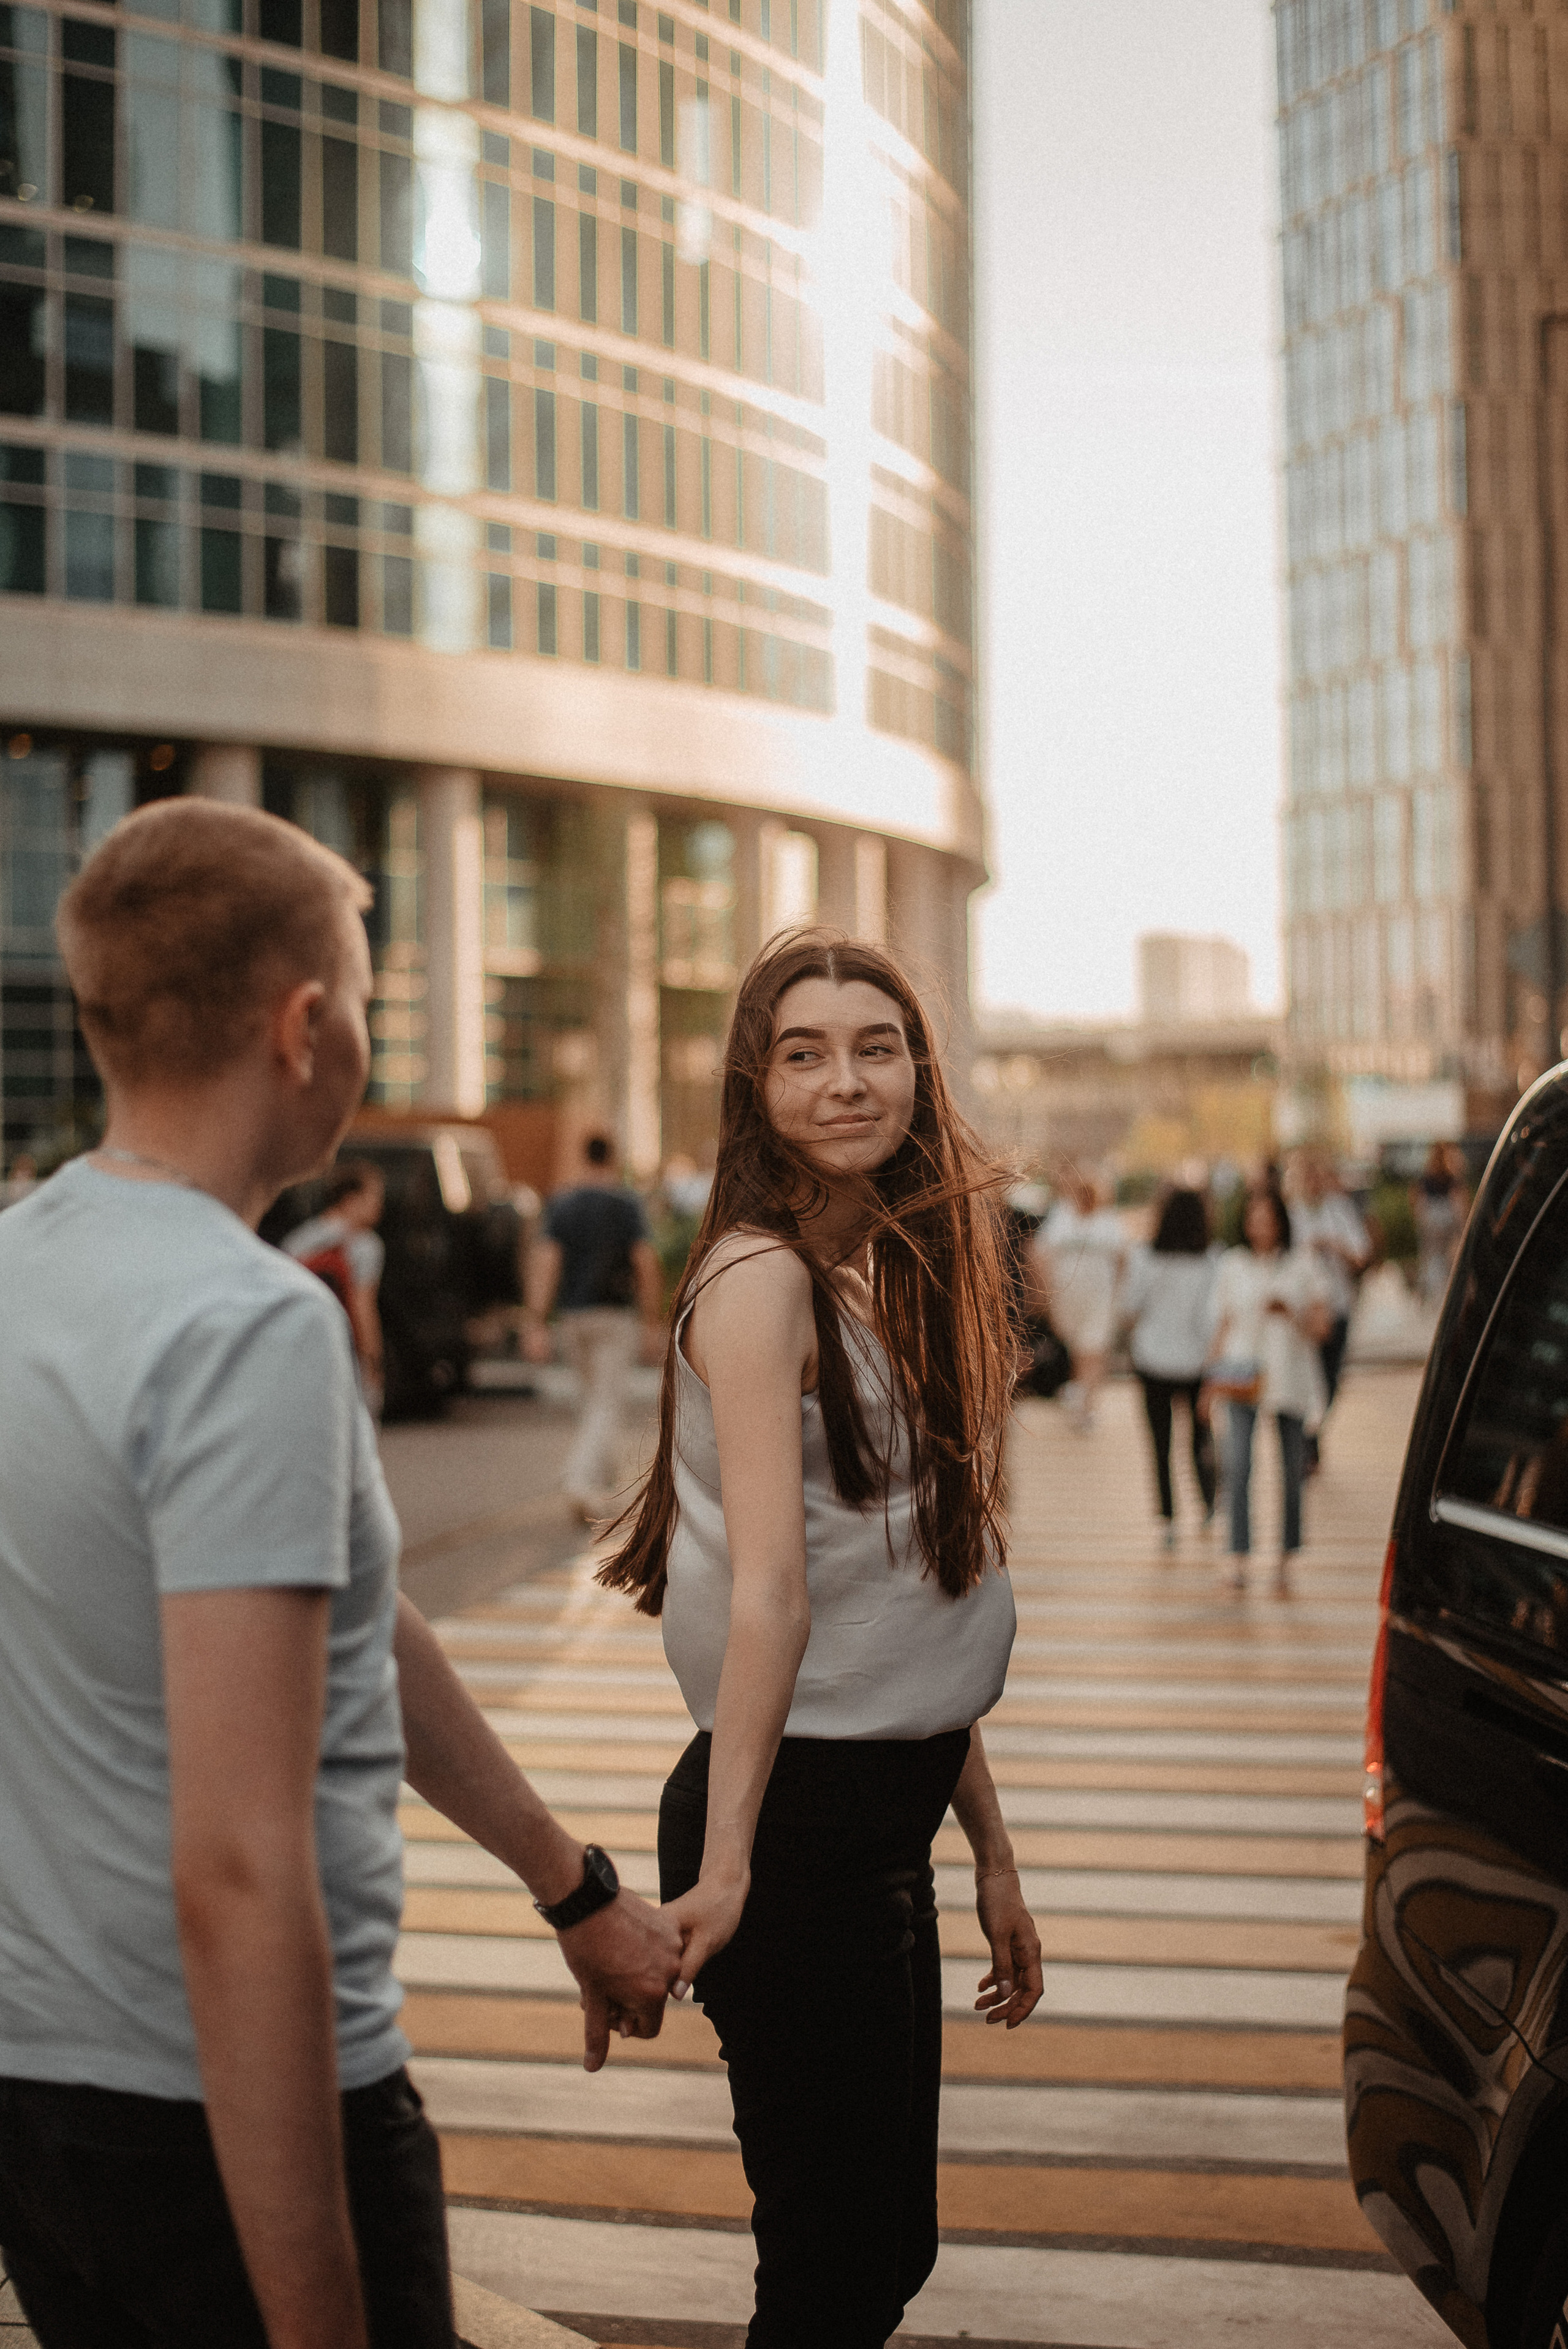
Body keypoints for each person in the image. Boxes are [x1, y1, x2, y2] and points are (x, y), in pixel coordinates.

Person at [0, 799, 684, 2349]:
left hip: (43, 2097)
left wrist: (567, 1884)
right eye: (368, 1000)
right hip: (227, 2110)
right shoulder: (247, 1321)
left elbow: (357, 1625)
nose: (365, 1033)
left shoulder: (20, 1266)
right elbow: (242, 1864)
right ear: (303, 1026)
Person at [598, 929, 1042, 2349]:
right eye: (802, 1052)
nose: (845, 1079)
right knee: (829, 2268)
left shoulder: (871, 1279)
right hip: (787, 1833)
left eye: (874, 1044)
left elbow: (896, 1603)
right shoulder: (760, 1280)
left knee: (879, 2249)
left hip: (873, 1824)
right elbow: (772, 1599)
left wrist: (990, 1849)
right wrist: (727, 1865)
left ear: (918, 1066)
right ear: (754, 1084)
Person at [523, 1132, 665, 1521]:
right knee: (605, 1403)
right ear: (613, 1159)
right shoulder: (627, 1205)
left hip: (573, 1316)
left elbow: (547, 1261)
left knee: (592, 1402)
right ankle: (581, 1483)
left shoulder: (562, 1204)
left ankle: (599, 1484)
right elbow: (644, 1262)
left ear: (583, 1158)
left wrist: (537, 1321)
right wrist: (652, 1320)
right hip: (616, 1315)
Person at [1205, 1188, 1332, 1598]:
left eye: (1267, 1219)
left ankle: (1284, 1560)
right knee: (1238, 1466)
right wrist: (1209, 1384)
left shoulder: (1302, 1264)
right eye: (1253, 1218)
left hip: (1289, 1377)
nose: (1259, 1227)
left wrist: (1291, 1314)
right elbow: (1223, 1323)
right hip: (1242, 1376)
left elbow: (1321, 1327)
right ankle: (1237, 1558)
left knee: (1291, 1472)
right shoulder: (1233, 1264)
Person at [1117, 1186, 1218, 1549]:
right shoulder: (1211, 1261)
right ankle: (1208, 1501)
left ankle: (1168, 1519)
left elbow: (1129, 1308)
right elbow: (1214, 1319)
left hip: (1153, 1360)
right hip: (1196, 1362)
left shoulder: (1145, 1258)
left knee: (1160, 1445)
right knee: (1200, 1438)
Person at [1286, 1149, 1371, 1472]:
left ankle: (1314, 1431)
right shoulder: (1292, 1215)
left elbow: (1361, 1256)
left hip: (1337, 1304)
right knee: (1310, 1377)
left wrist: (1333, 1245)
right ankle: (1307, 1442)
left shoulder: (1339, 1211)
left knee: (1332, 1378)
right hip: (1305, 1312)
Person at [282, 1159, 387, 1410]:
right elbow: (363, 1307)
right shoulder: (364, 1246)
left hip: (303, 1350)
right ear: (351, 1199)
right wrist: (374, 1359)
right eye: (374, 1197)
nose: (380, 1206)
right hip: (347, 1353)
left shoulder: (297, 1241)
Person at [1035, 1170, 1124, 1428]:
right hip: (1067, 1300)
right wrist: (1046, 1292)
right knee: (1076, 1352)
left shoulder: (1108, 1221)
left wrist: (1117, 1294)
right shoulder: (1062, 1217)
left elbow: (1121, 1260)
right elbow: (1042, 1254)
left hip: (1099, 1300)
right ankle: (1078, 1394)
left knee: (1093, 1353)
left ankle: (1086, 1407)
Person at [1412, 1141, 1469, 1306]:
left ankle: (1432, 1294)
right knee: (1446, 1258)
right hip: (1446, 1220)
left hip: (1431, 1221)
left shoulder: (1427, 1177)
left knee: (1431, 1258)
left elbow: (1419, 1201)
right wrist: (1463, 1225)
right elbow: (1459, 1202)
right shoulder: (1450, 1176)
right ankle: (1442, 1295)